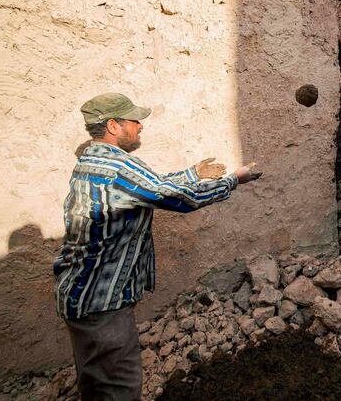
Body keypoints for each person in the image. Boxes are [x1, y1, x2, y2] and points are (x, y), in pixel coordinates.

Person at [53, 92, 260, 400]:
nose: (140, 126)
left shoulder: (95, 161)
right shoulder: (116, 167)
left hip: (81, 296)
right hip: (102, 302)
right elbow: (174, 197)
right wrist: (233, 180)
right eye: (134, 120)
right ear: (113, 125)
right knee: (119, 390)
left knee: (96, 387)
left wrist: (192, 174)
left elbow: (151, 185)